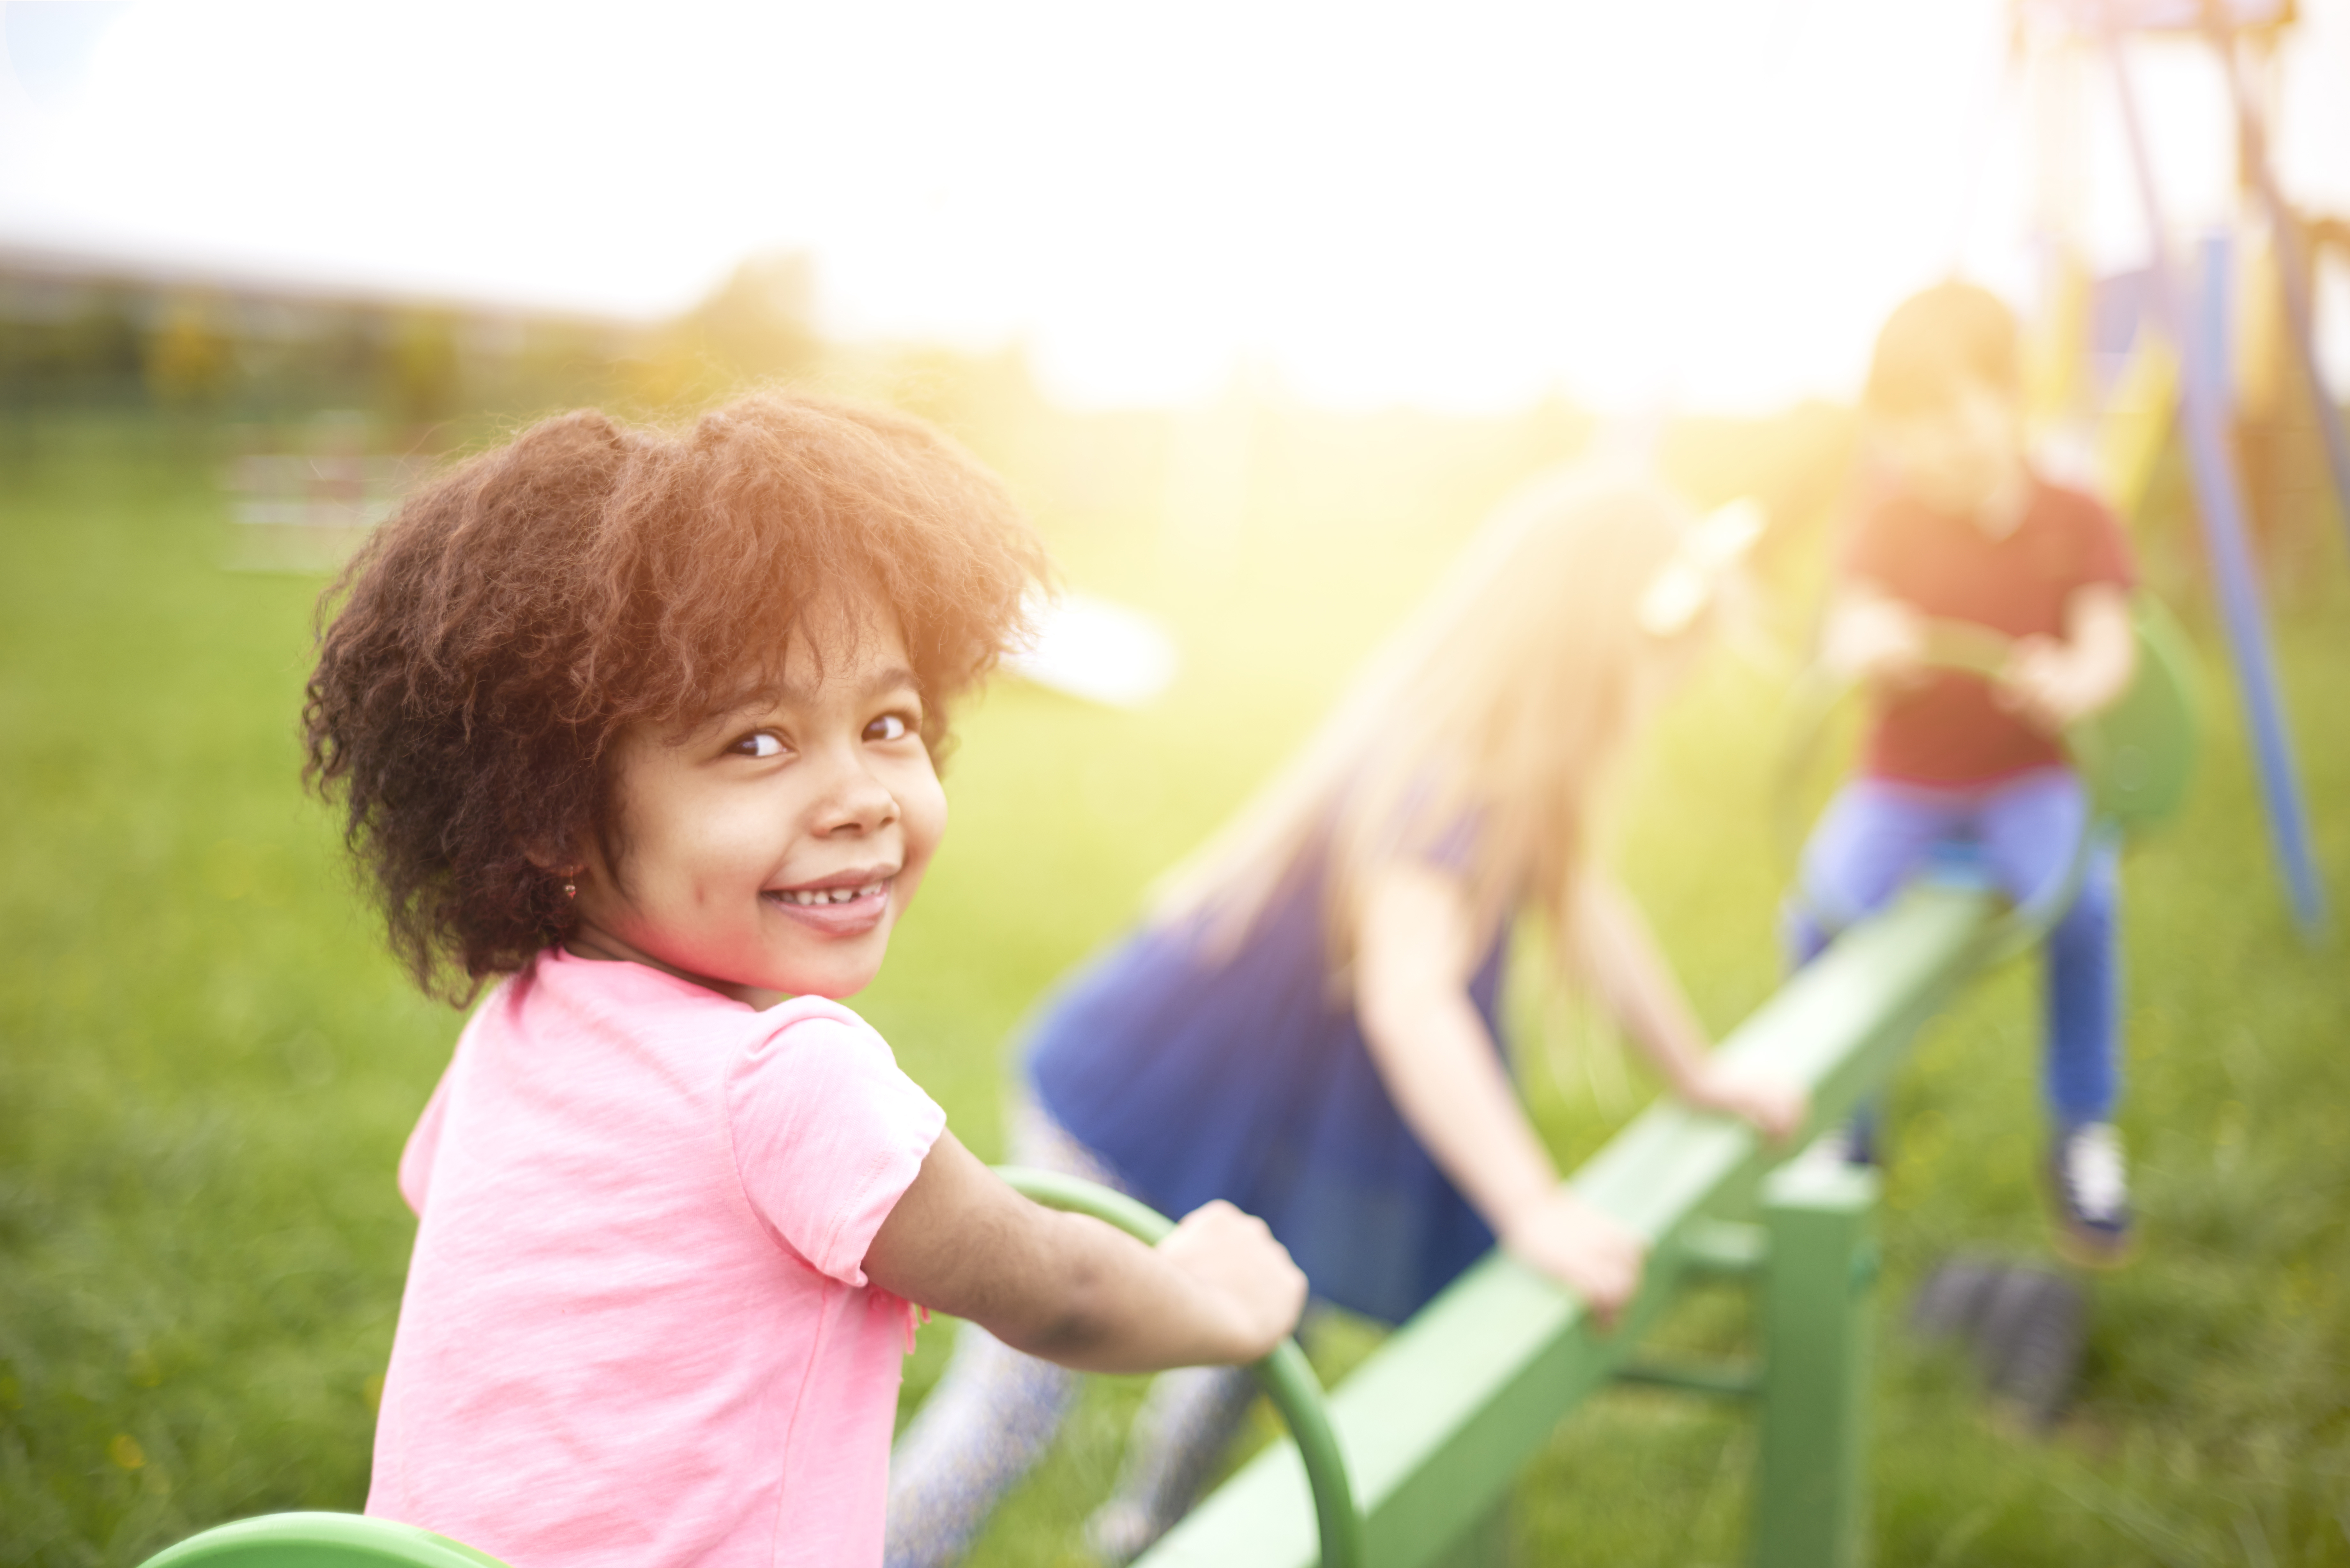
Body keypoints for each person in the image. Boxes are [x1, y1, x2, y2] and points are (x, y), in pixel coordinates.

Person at [302, 395, 1308, 1568]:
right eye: (758, 744)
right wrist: (1214, 1300)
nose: (865, 795)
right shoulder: (786, 1079)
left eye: (891, 723)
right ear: (549, 817)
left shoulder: (518, 1028)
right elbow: (1057, 1291)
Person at [886, 470, 1808, 1568]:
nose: (1670, 684)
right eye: (1661, 652)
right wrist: (1534, 1209)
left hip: (1252, 1119)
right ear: (1589, 643)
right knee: (1022, 1397)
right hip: (1140, 1099)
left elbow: (1587, 910)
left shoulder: (1519, 767)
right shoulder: (1448, 776)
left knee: (1254, 1336)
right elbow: (1410, 996)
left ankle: (1145, 1536)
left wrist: (1695, 1072)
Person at [1788, 280, 2140, 1265]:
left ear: (2010, 396)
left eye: (1951, 412)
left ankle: (2082, 1129)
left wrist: (2071, 680)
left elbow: (2109, 648)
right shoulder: (1889, 519)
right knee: (1815, 915)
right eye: (1907, 425)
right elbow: (1847, 624)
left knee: (2087, 907)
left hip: (2030, 778)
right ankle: (1842, 1124)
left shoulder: (2076, 515)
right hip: (1904, 781)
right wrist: (1873, 641)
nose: (1934, 444)